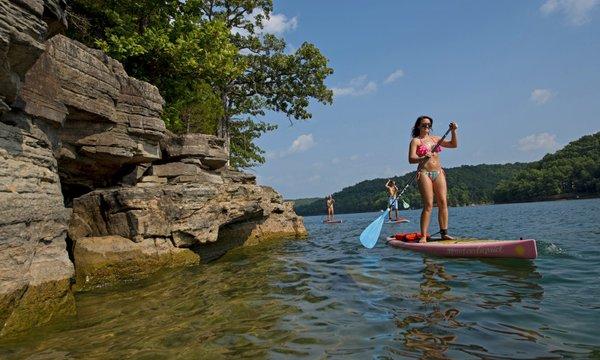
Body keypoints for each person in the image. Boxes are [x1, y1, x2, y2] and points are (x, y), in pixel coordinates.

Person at [408, 116, 458, 243]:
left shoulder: (436, 139)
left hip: (439, 172)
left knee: (443, 202)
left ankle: (444, 233)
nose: (427, 127)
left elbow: (453, 145)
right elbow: (411, 159)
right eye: (424, 125)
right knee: (429, 205)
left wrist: (453, 131)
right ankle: (423, 236)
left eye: (429, 125)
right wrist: (423, 157)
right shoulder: (416, 141)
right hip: (424, 173)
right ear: (418, 126)